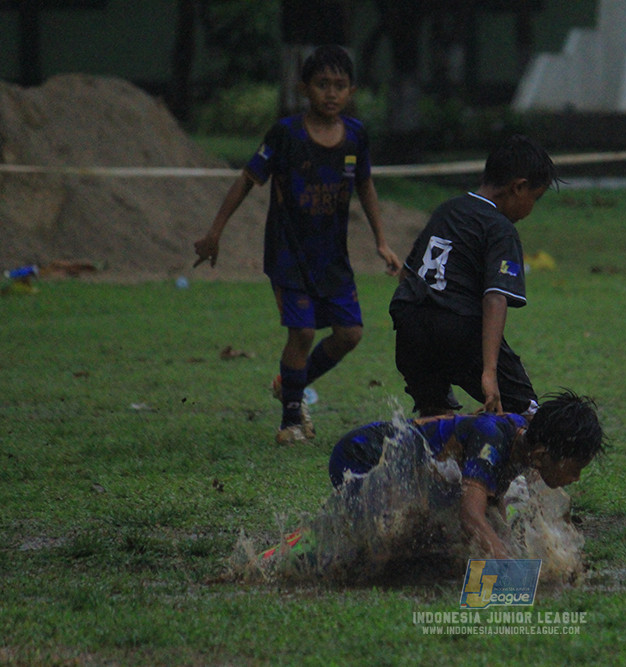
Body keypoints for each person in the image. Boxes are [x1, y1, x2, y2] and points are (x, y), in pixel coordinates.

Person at [193, 45, 402, 445]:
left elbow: (366, 185)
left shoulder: (356, 136)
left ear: (352, 91)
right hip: (288, 253)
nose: (331, 93)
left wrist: (382, 241)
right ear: (304, 88)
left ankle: (289, 383)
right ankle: (291, 419)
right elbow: (246, 179)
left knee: (350, 334)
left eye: (340, 85)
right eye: (322, 84)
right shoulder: (285, 134)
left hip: (332, 257)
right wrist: (215, 232)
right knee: (303, 333)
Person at [389, 135, 557, 418]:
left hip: (409, 324)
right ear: (519, 188)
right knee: (526, 415)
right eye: (535, 198)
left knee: (435, 416)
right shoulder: (500, 227)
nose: (532, 208)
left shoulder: (448, 209)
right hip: (457, 327)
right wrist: (489, 372)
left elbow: (406, 273)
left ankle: (427, 455)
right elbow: (495, 297)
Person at [328, 390, 605, 559]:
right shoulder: (493, 441)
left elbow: (491, 508)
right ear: (543, 455)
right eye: (575, 468)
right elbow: (470, 513)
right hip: (360, 454)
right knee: (384, 550)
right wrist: (504, 558)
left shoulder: (524, 442)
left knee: (435, 544)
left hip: (393, 464)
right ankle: (308, 542)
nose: (576, 477)